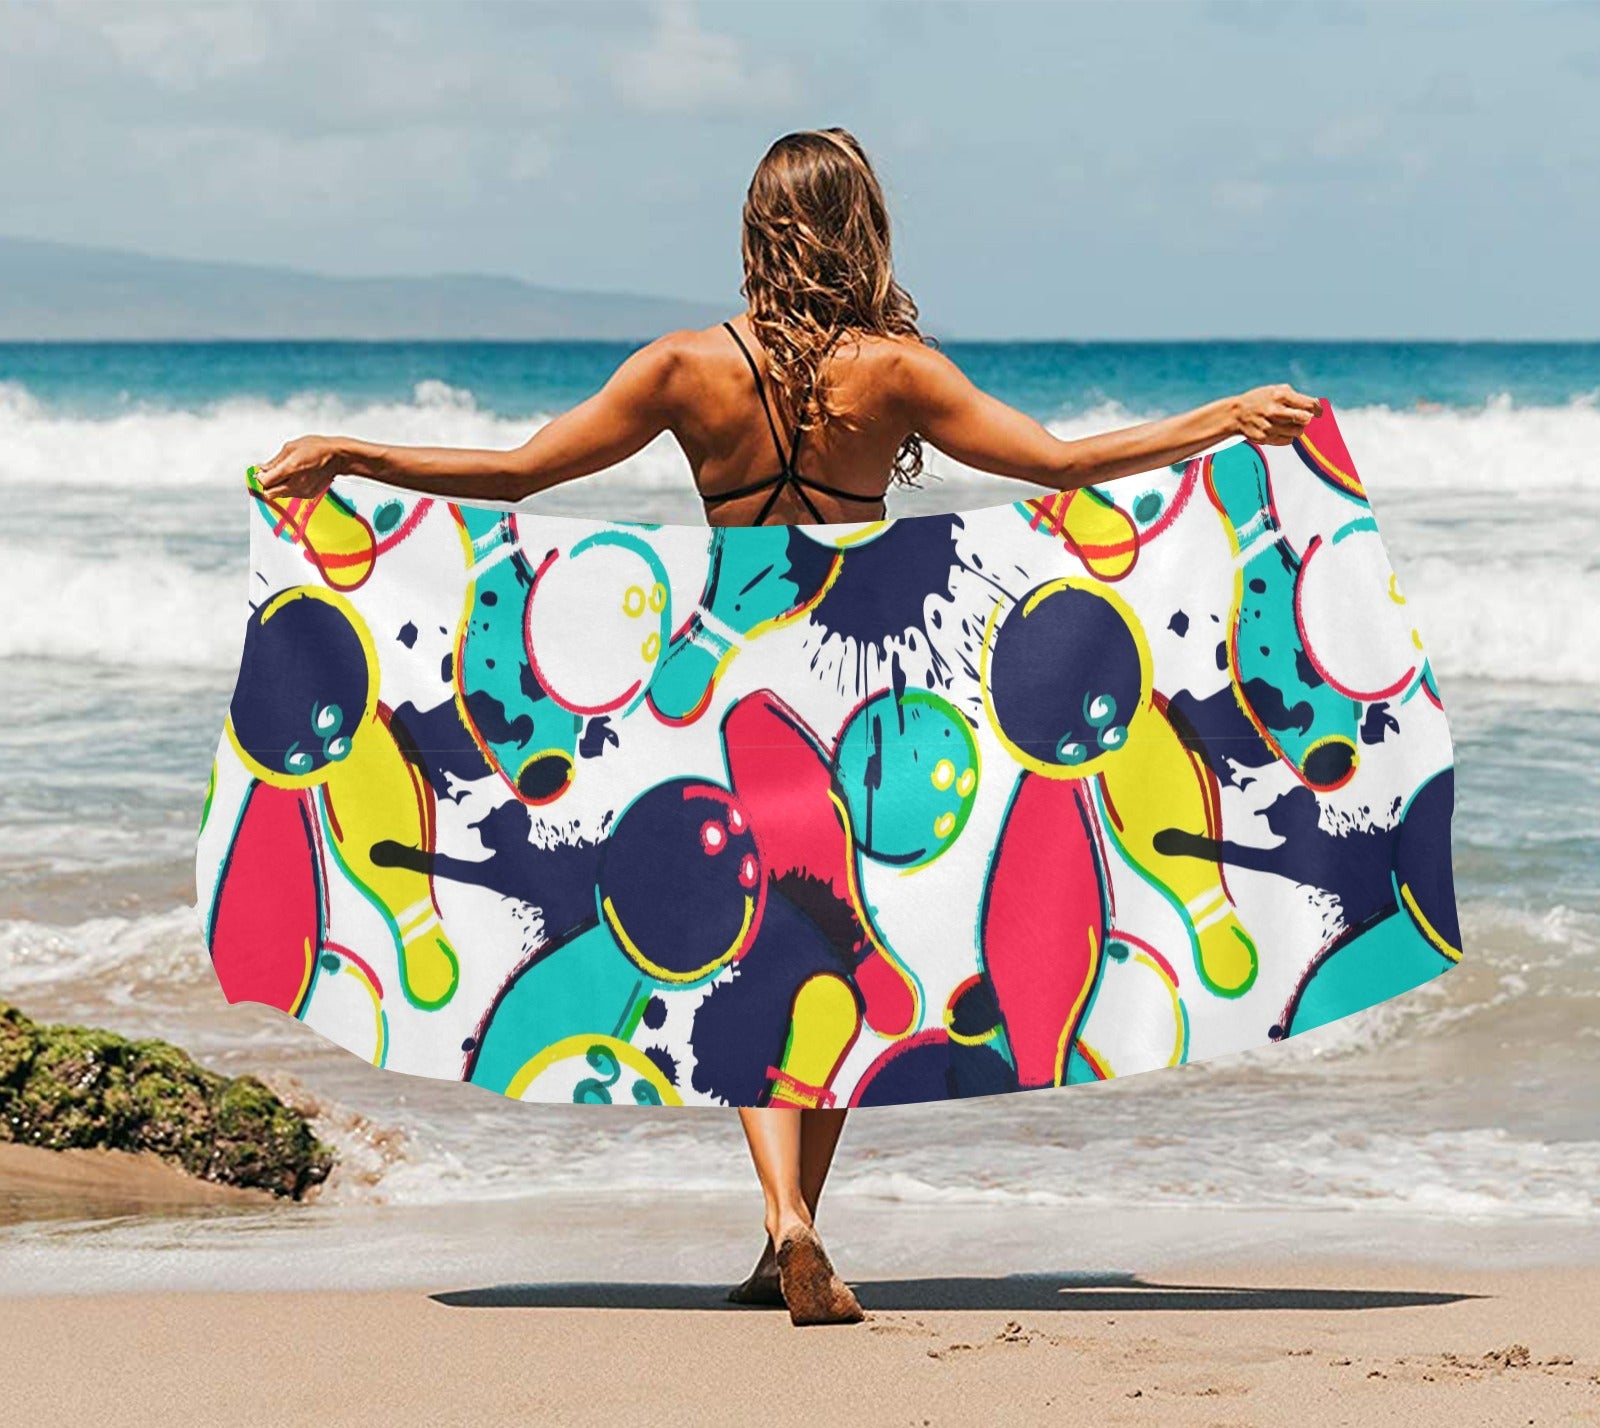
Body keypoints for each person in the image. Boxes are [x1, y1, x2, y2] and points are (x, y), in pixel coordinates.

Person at [258, 127, 1322, 1326]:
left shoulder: (681, 367)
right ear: (862, 227)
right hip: (863, 690)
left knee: (753, 950)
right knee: (838, 945)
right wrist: (1224, 416)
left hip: (731, 680)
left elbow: (517, 475)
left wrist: (352, 452)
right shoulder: (896, 371)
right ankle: (792, 1224)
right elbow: (1061, 466)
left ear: (758, 228)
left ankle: (786, 1226)